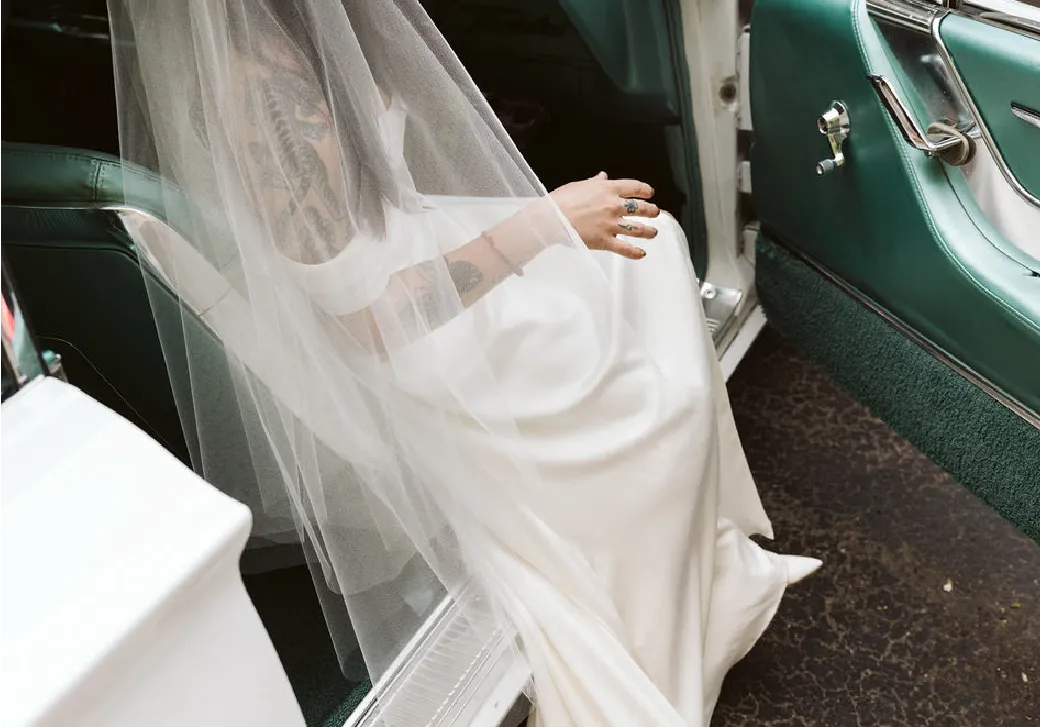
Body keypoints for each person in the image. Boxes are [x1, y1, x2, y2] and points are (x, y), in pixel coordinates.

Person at [110, 1, 819, 725]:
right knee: (658, 414)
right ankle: (665, 605)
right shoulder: (256, 99)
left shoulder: (305, 27)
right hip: (418, 334)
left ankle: (704, 580)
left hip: (422, 247)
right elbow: (366, 323)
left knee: (653, 245)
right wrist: (544, 224)